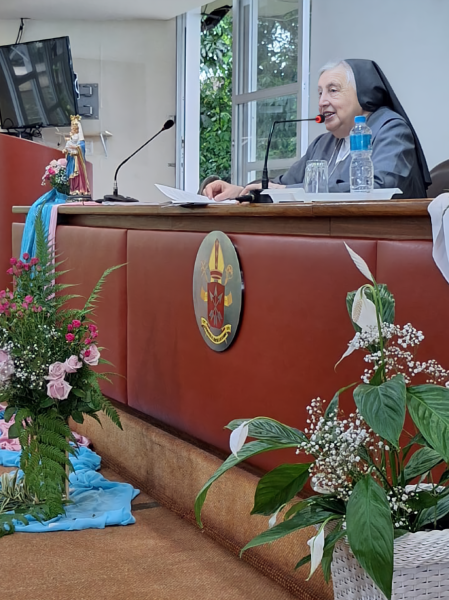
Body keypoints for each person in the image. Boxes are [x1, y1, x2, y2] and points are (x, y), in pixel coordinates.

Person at [203, 59, 431, 200]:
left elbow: (379, 187)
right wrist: (240, 191)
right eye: (320, 93)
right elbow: (282, 182)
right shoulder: (323, 143)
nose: (322, 102)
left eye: (333, 90)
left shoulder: (391, 129)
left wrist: (289, 190)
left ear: (363, 95)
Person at [64, 115, 91, 197]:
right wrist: (66, 151)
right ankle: (73, 189)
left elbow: (81, 148)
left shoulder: (80, 140)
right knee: (71, 174)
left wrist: (76, 148)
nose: (72, 128)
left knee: (77, 174)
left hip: (78, 160)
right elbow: (68, 146)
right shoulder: (71, 138)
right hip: (71, 158)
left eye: (74, 126)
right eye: (72, 126)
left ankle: (80, 189)